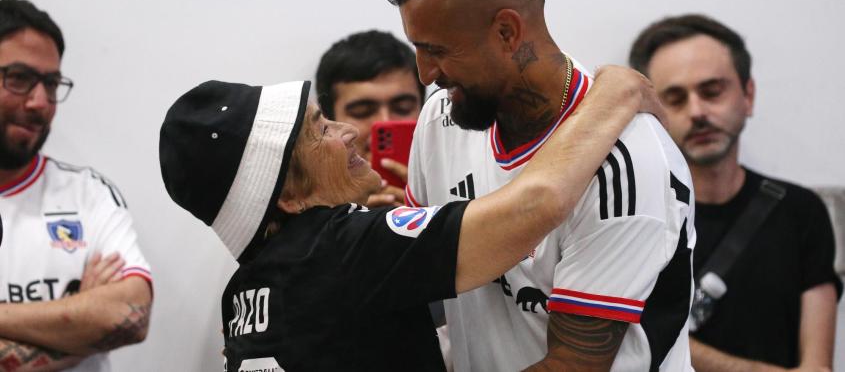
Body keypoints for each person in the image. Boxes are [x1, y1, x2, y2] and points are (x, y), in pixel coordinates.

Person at [158, 66, 661, 371]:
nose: (348, 132)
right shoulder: (343, 248)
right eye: (320, 129)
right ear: (286, 196)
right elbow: (540, 202)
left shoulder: (242, 294)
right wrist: (617, 90)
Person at [383, 0, 696, 371]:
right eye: (417, 49)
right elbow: (422, 281)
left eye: (437, 51)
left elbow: (574, 364)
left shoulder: (628, 164)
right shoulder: (439, 120)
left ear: (507, 32)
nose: (425, 74)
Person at [629, 13, 841, 371]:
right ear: (653, 114)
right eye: (676, 99)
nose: (697, 112)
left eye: (712, 91)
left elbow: (818, 367)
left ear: (748, 95)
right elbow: (629, 339)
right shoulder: (636, 217)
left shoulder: (801, 212)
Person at [0, 0, 152, 371]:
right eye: (19, 79)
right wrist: (78, 320)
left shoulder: (89, 195)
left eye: (51, 84)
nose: (40, 102)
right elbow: (101, 323)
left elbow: (129, 315)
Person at [315, 30, 425, 207]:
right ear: (327, 120)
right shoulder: (306, 203)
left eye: (403, 108)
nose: (385, 121)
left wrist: (434, 217)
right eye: (362, 111)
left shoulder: (452, 182)